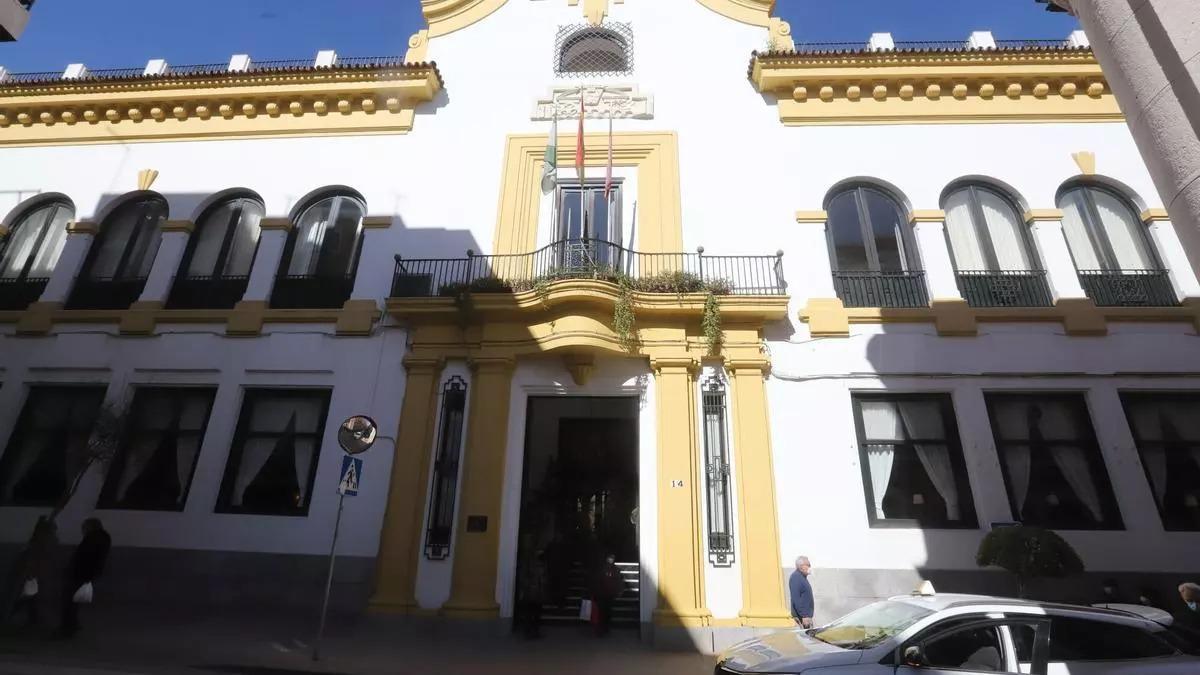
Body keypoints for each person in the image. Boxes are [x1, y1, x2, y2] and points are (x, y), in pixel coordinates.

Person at [58, 518, 110, 638]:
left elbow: (84, 557)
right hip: (86, 574)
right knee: (73, 600)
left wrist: (72, 570)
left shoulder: (93, 539)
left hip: (81, 574)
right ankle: (72, 624)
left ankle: (68, 627)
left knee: (69, 600)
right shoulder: (102, 538)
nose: (83, 530)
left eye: (84, 527)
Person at [7, 516, 57, 629]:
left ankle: (31, 618)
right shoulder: (40, 542)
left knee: (31, 598)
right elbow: (35, 558)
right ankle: (22, 617)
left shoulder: (40, 541)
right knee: (28, 597)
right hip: (33, 574)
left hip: (35, 574)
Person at [590, 554, 623, 636]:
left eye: (612, 558)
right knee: (603, 612)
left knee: (607, 612)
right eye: (610, 558)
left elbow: (619, 581)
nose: (611, 559)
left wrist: (618, 591)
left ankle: (605, 628)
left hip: (609, 595)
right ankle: (602, 629)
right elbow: (597, 581)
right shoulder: (603, 569)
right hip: (603, 594)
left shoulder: (615, 569)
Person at [518, 551, 547, 639]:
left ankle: (535, 632)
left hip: (539, 594)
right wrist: (529, 586)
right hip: (530, 593)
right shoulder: (529, 565)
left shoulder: (543, 566)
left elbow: (544, 578)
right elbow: (523, 578)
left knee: (537, 614)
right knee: (529, 614)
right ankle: (528, 632)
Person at [789, 555, 814, 628]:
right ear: (801, 566)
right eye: (808, 565)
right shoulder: (796, 577)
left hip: (806, 617)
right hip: (803, 618)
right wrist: (804, 615)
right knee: (805, 638)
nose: (810, 567)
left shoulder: (802, 577)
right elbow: (796, 599)